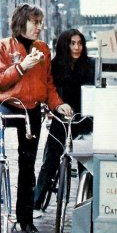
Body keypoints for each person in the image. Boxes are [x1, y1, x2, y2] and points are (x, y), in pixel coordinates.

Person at [0, 3, 72, 233]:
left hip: (33, 110)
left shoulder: (43, 50)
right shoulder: (2, 47)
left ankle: (25, 220)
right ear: (22, 22)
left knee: (27, 166)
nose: (40, 27)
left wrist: (58, 104)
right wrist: (21, 67)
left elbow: (48, 85)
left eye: (40, 22)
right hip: (8, 106)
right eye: (35, 22)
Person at [34, 28, 95, 210]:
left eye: (80, 43)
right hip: (61, 119)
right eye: (72, 43)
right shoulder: (54, 66)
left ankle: (87, 206)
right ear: (64, 45)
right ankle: (36, 203)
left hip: (83, 120)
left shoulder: (90, 65)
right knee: (50, 161)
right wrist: (53, 108)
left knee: (86, 165)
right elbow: (48, 91)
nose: (77, 47)